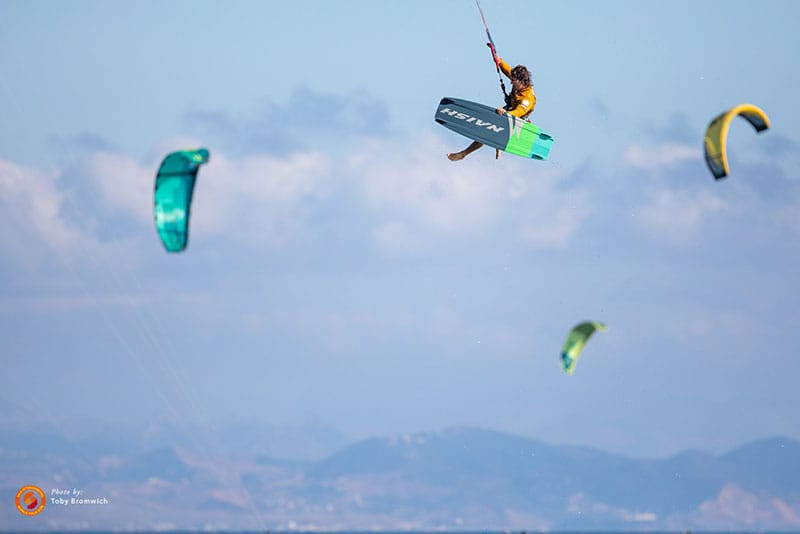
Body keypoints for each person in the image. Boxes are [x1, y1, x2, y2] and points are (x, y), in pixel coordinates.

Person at [447, 55, 536, 161]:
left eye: (513, 81)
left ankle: (463, 154)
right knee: (486, 129)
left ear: (521, 81)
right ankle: (497, 141)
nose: (511, 82)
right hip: (507, 113)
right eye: (511, 79)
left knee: (487, 133)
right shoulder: (518, 83)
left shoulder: (528, 98)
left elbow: (519, 111)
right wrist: (499, 61)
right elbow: (508, 70)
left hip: (517, 120)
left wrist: (506, 114)